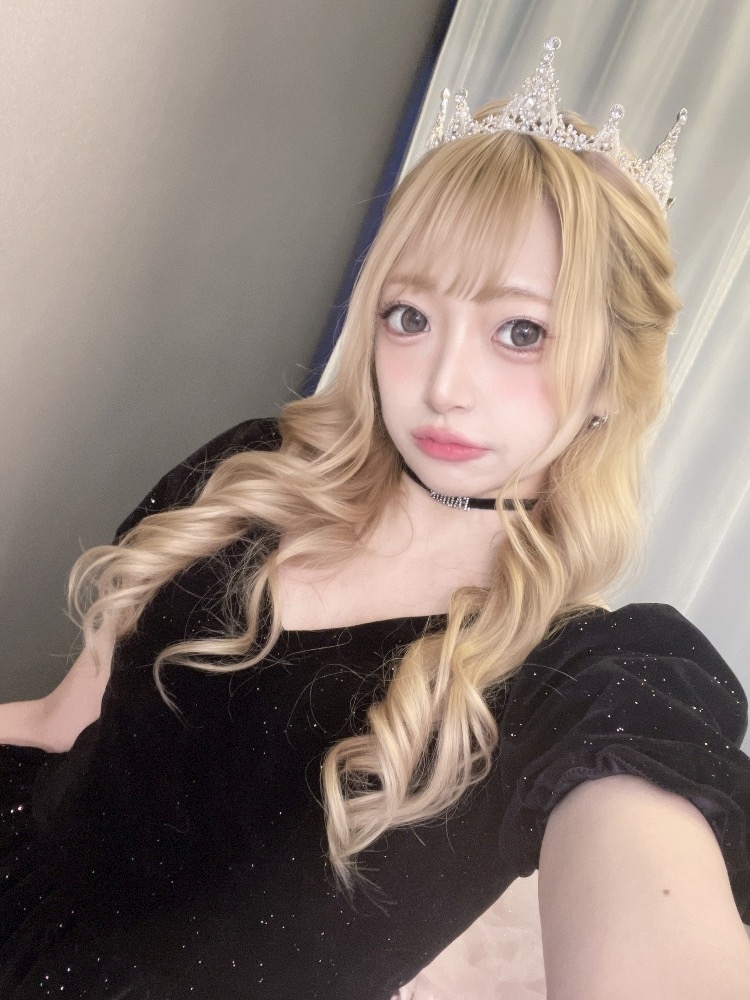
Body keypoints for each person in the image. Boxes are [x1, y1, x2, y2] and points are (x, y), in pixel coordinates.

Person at [1, 36, 749, 1000]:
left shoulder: (585, 678)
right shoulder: (254, 472)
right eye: (410, 317)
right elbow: (66, 720)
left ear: (613, 374)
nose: (443, 385)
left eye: (521, 331)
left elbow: (655, 911)